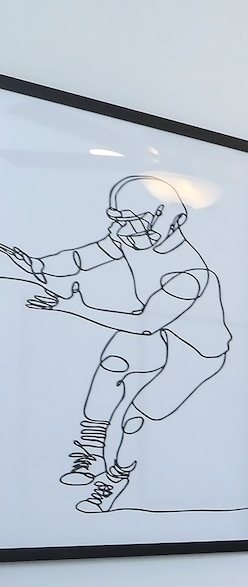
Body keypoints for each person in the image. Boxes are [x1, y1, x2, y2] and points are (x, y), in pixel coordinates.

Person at [0, 175, 231, 512]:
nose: (128, 232)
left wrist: (75, 308)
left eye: (137, 224)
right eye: (122, 221)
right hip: (162, 330)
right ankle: (92, 452)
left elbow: (144, 327)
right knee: (113, 366)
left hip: (196, 353)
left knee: (135, 418)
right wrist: (40, 265)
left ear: (173, 219)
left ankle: (114, 478)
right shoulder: (128, 237)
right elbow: (82, 258)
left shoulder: (190, 275)